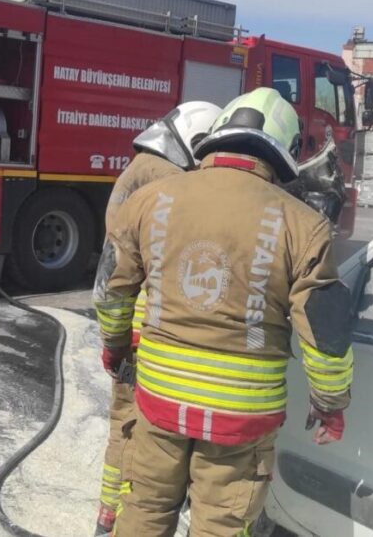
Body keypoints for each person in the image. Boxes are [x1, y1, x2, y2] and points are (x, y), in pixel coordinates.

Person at [95, 88, 355, 537]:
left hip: (158, 400)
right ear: (286, 149)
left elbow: (113, 293)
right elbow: (323, 330)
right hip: (242, 420)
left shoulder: (151, 200)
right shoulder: (304, 225)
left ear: (219, 133)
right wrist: (330, 404)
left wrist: (115, 349)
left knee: (144, 511)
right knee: (221, 527)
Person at [92, 100, 223, 537]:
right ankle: (121, 521)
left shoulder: (140, 170)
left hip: (127, 327)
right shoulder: (169, 180)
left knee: (123, 428)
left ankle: (108, 519)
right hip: (148, 332)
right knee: (138, 439)